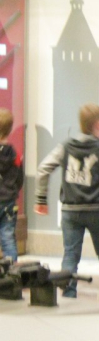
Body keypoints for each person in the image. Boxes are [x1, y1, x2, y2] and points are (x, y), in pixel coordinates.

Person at [34, 104, 99, 302]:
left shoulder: (65, 147)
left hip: (70, 210)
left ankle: (68, 295)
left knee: (70, 255)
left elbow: (43, 169)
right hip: (96, 211)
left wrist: (41, 199)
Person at [0, 109, 23, 262]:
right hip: (8, 201)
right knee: (8, 238)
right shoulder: (15, 155)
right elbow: (19, 179)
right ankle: (11, 272)